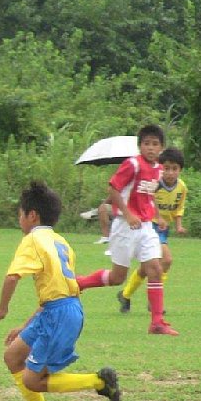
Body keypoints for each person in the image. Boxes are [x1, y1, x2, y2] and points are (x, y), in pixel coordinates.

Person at [0, 181, 121, 401]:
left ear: (32, 215)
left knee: (33, 380)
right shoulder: (61, 242)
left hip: (59, 314)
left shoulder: (32, 240)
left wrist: (3, 308)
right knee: (13, 356)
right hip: (57, 309)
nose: (19, 220)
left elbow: (12, 277)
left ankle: (99, 382)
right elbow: (54, 293)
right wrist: (24, 326)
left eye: (20, 215)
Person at [76, 124, 178, 336]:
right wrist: (127, 213)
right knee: (117, 277)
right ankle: (80, 283)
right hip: (125, 226)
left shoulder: (158, 169)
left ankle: (157, 322)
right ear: (140, 146)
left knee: (155, 269)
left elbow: (149, 196)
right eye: (146, 143)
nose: (151, 148)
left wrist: (157, 216)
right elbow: (113, 189)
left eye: (155, 144)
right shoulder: (132, 164)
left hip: (146, 226)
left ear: (161, 148)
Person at [118, 147, 188, 313]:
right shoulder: (154, 184)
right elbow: (145, 200)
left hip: (163, 228)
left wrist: (178, 225)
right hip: (150, 225)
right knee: (167, 259)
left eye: (174, 169)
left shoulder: (182, 187)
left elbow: (179, 208)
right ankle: (154, 301)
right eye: (166, 168)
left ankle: (125, 295)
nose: (170, 173)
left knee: (146, 267)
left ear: (180, 170)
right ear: (160, 167)